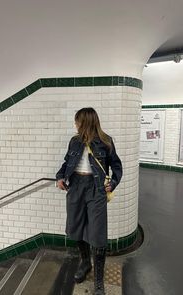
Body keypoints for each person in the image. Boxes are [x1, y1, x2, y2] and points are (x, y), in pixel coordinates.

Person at [56, 107, 122, 295]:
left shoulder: (105, 141)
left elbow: (117, 166)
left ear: (85, 122)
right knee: (76, 228)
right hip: (76, 185)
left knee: (98, 234)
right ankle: (85, 263)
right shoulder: (74, 141)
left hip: (96, 188)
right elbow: (66, 163)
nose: (75, 125)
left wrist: (114, 182)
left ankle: (99, 281)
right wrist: (60, 177)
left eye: (77, 121)